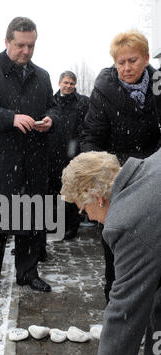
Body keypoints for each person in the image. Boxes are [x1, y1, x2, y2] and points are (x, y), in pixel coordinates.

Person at [0, 17, 60, 299]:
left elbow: (53, 107)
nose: (26, 51)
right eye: (20, 45)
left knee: (30, 220)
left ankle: (28, 272)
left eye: (31, 46)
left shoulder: (41, 75)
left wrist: (50, 120)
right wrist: (10, 118)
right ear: (7, 42)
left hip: (33, 162)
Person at [61, 150, 161, 355]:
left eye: (84, 209)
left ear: (98, 198)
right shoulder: (151, 166)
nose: (89, 218)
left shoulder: (126, 220)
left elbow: (127, 301)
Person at [80, 30, 161, 303]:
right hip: (120, 179)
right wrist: (95, 180)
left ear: (147, 58)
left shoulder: (158, 87)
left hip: (153, 177)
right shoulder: (104, 90)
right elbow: (92, 136)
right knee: (116, 245)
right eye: (121, 62)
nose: (127, 68)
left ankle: (152, 310)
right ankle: (115, 306)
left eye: (133, 61)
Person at [48, 71, 89, 240]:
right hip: (53, 152)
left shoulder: (83, 103)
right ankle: (54, 224)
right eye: (65, 82)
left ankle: (72, 226)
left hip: (74, 153)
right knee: (53, 190)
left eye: (72, 83)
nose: (68, 86)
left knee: (72, 191)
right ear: (59, 83)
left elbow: (88, 125)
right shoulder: (51, 101)